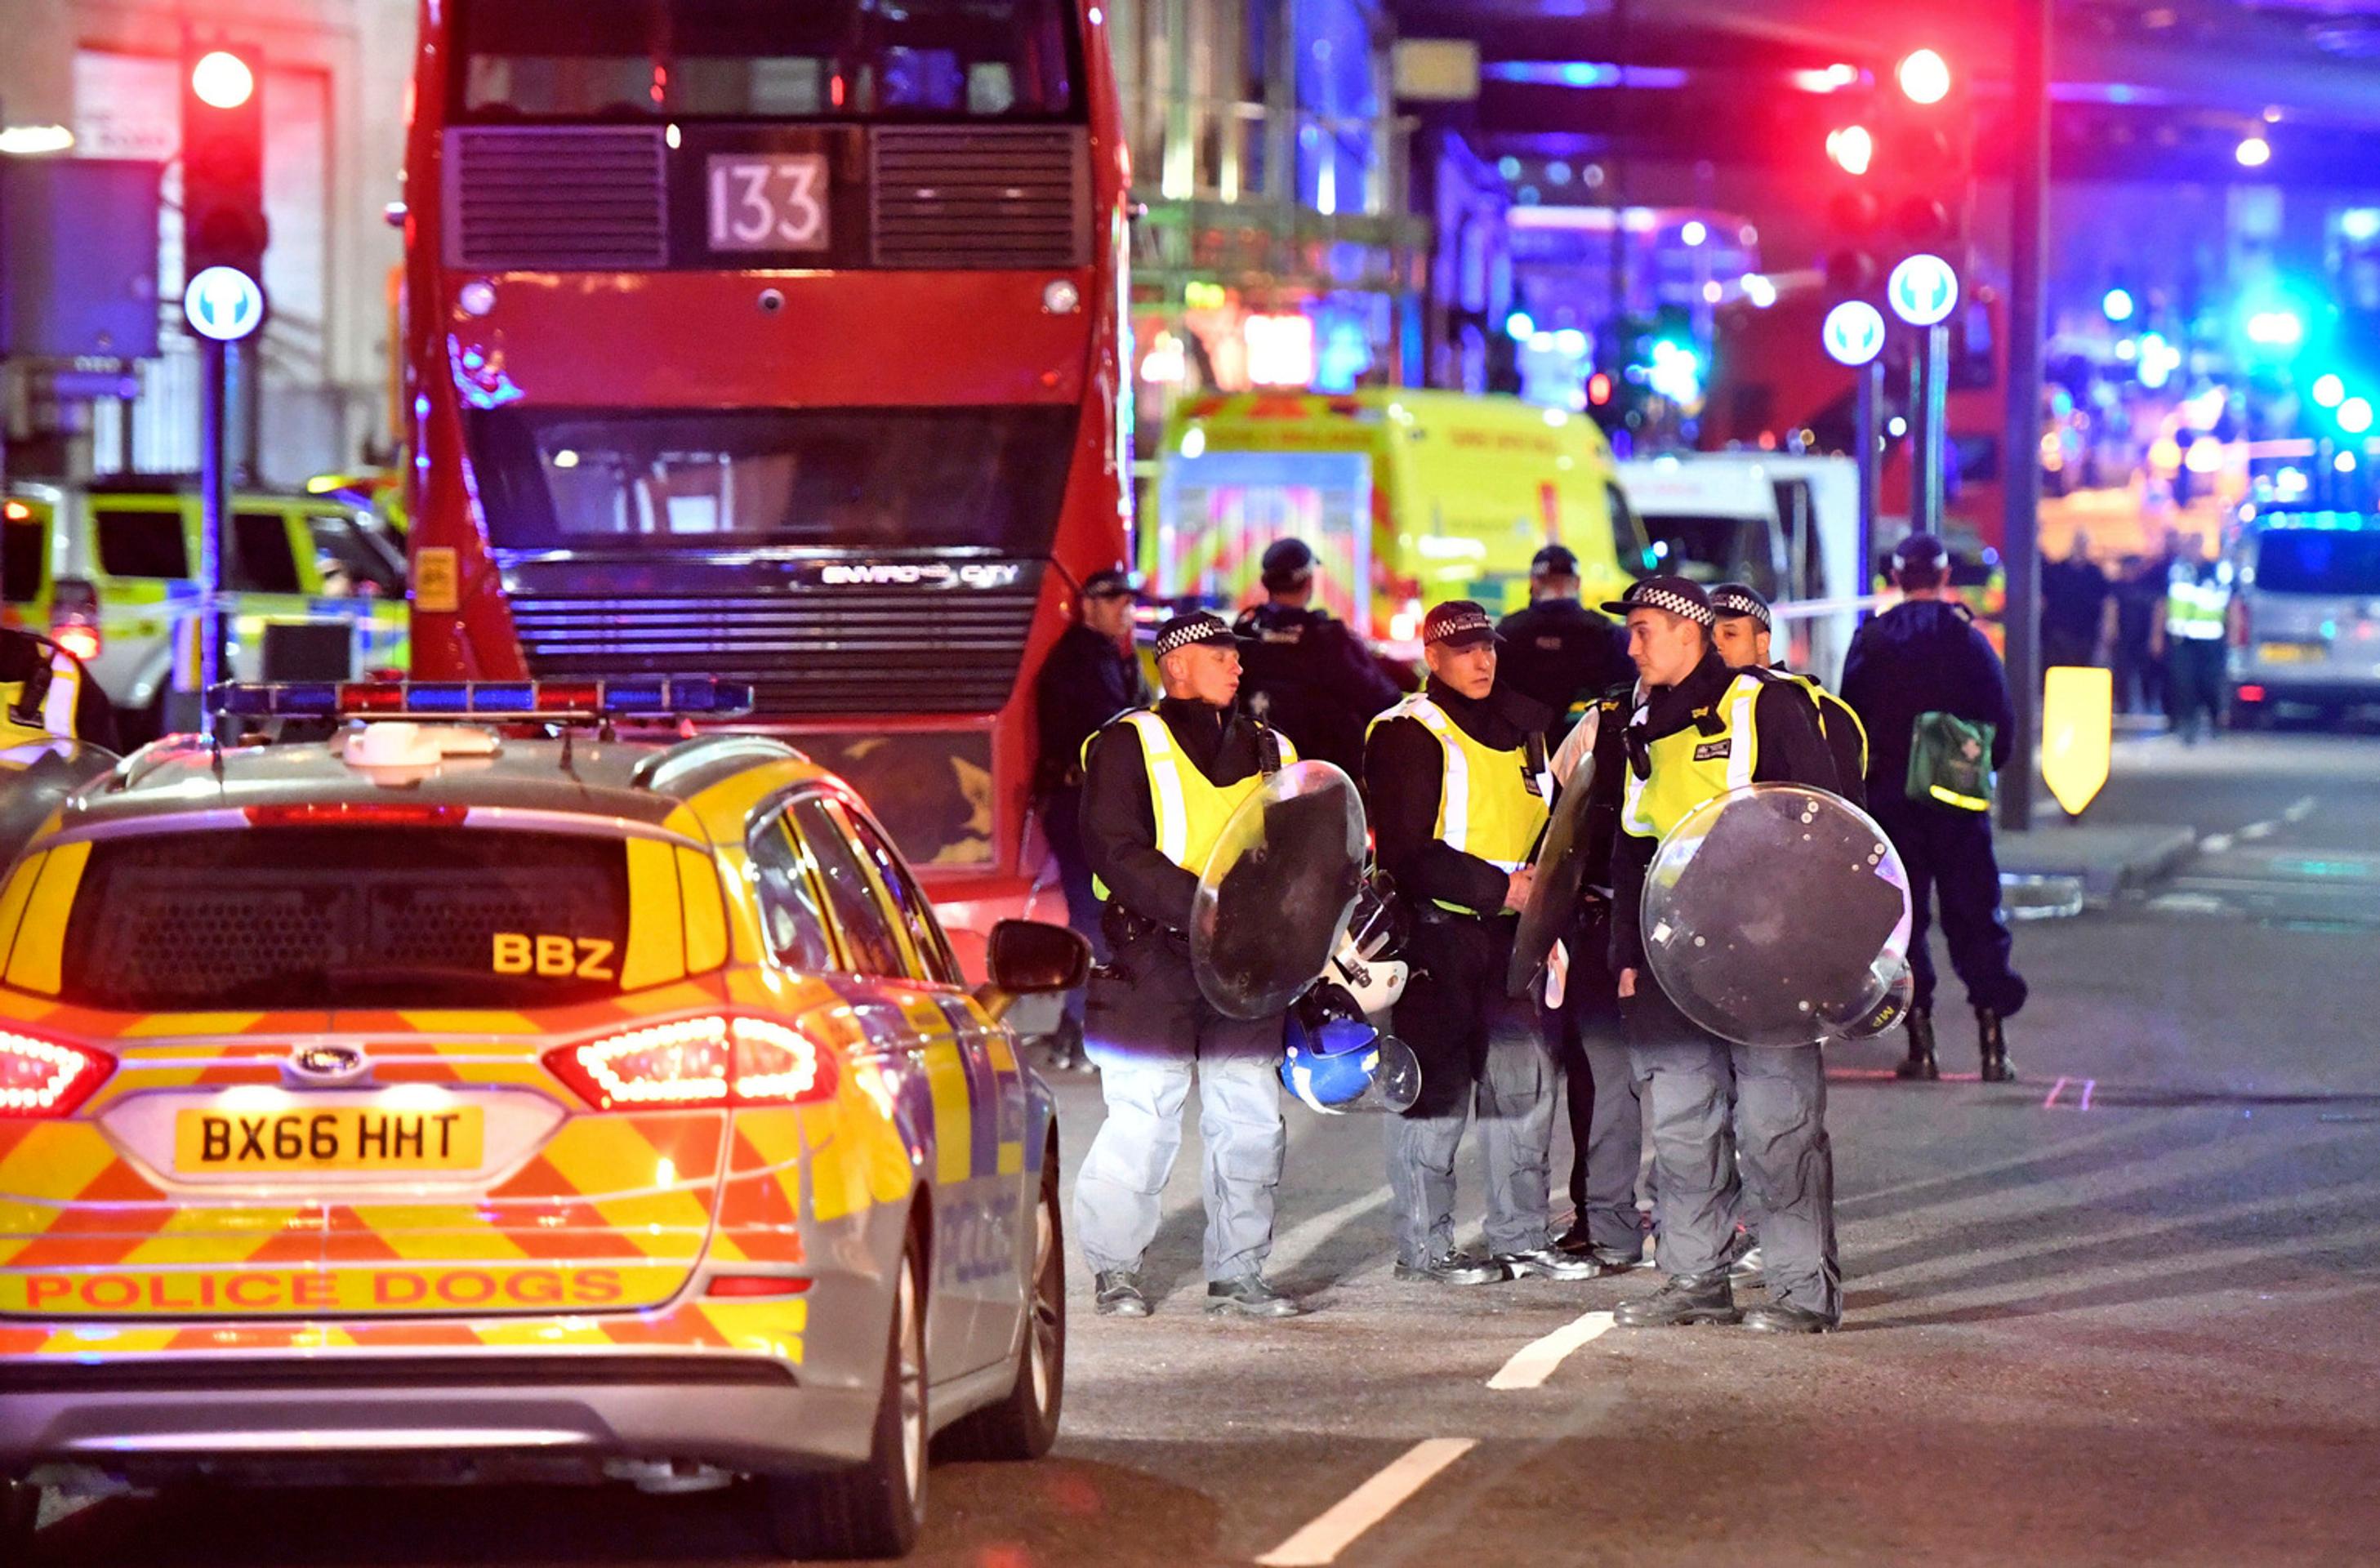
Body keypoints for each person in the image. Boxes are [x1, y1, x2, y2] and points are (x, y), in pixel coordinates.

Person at [1592, 577, 1850, 1334]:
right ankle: (1695, 1277)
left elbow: (1828, 825)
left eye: (1643, 629)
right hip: (1677, 958)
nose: (1632, 646)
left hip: (1767, 960)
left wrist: (1814, 944)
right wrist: (1628, 953)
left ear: (1688, 631)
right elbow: (1634, 846)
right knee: (1681, 1127)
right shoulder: (1641, 721)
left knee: (1778, 1128)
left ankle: (1803, 1291)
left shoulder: (1764, 705)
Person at [1365, 601, 1605, 1285]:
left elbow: (1550, 828)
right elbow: (1407, 853)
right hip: (1438, 941)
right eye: (1463, 649)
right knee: (1433, 1100)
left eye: (1487, 647)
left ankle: (1522, 1238)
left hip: (1515, 942)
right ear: (1431, 657)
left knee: (1523, 1096)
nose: (1481, 660)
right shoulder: (1409, 731)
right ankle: (1426, 1249)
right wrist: (1505, 890)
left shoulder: (1527, 727)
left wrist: (1547, 891)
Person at [1072, 612, 1303, 1320]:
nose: (1237, 666)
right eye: (1221, 654)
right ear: (1175, 666)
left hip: (1245, 960)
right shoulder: (1126, 743)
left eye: (1238, 655)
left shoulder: (1275, 750)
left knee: (1251, 1116)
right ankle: (1115, 1270)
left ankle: (1239, 1275)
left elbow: (1300, 855)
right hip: (1151, 952)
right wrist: (1204, 908)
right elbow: (1114, 849)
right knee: (1144, 1115)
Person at [1839, 534, 2027, 1084]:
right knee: (1975, 915)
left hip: (1891, 803)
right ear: (1944, 577)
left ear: (1896, 578)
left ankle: (1920, 1045)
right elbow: (2003, 724)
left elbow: (1849, 724)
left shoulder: (1871, 642)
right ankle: (1994, 1044)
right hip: (1957, 801)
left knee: (1903, 921)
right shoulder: (1969, 641)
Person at [1032, 567, 1152, 1067]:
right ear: (1088, 605)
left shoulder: (1108, 656)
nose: (1124, 609)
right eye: (1112, 600)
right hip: (1078, 803)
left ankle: (1074, 1028)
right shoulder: (1078, 661)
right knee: (1092, 916)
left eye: (1128, 601)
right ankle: (1082, 1029)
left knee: (1095, 914)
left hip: (1090, 804)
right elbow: (1110, 730)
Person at [1233, 537, 1402, 777]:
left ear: (1266, 583)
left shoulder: (1243, 635)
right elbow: (1383, 699)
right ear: (1309, 581)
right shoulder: (1329, 638)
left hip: (1258, 776)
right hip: (1327, 781)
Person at [1709, 582, 1869, 790]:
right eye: (1709, 636)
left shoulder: (1818, 707)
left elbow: (1839, 810)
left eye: (1730, 634)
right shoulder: (1702, 708)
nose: (1716, 645)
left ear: (1762, 643)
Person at [1495, 544, 1633, 746]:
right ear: (1577, 583)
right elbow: (1631, 686)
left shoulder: (1508, 632)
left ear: (1534, 582)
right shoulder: (1607, 633)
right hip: (1593, 749)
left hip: (1521, 750)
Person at [2158, 533, 2231, 744]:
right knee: (2183, 683)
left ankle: (2216, 719)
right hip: (2182, 639)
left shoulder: (2216, 571)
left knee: (2209, 682)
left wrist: (2234, 633)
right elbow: (2163, 603)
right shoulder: (2177, 571)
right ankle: (2188, 723)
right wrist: (2156, 635)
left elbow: (2231, 603)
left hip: (2211, 639)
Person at [2040, 533, 2110, 672]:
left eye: (2084, 544)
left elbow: (2106, 603)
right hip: (2060, 633)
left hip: (2086, 635)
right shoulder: (2057, 570)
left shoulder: (2095, 573)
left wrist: (2105, 634)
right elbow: (2044, 600)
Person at [2110, 553, 2164, 716]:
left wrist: (2156, 636)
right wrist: (2111, 630)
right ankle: (2123, 706)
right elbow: (2111, 607)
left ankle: (2149, 705)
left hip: (2144, 638)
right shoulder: (2118, 587)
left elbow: (2159, 609)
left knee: (2147, 674)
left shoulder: (2149, 586)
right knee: (2123, 673)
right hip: (2124, 637)